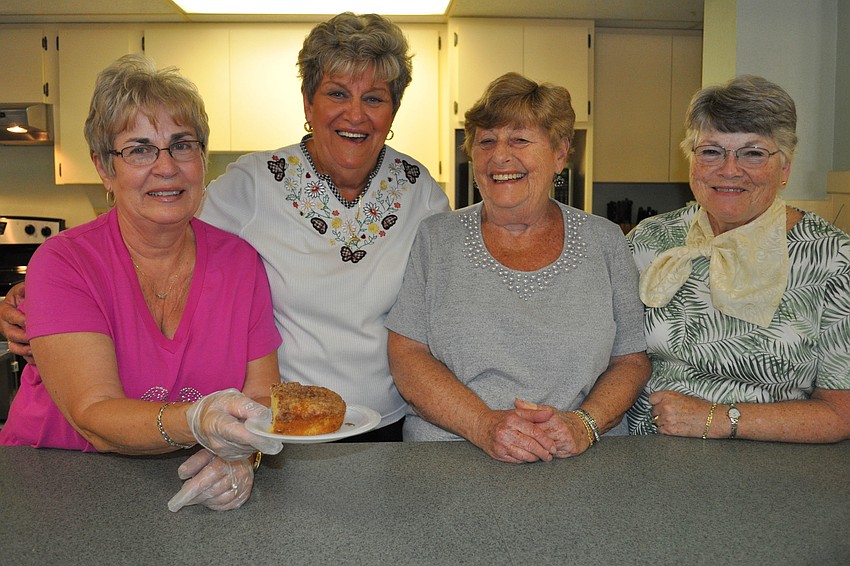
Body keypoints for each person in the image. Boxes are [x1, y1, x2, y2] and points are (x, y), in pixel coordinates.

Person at [0, 13, 450, 442]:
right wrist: (41, 288)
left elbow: (445, 302)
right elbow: (156, 224)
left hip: (386, 421)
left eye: (374, 97)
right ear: (308, 103)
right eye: (336, 93)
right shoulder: (253, 184)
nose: (355, 113)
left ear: (393, 111)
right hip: (278, 423)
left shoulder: (422, 193)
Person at [0, 54, 285, 512]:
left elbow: (260, 394)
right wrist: (199, 421)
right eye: (139, 149)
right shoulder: (64, 262)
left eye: (182, 144)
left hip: (184, 480)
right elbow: (94, 413)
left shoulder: (240, 263)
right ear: (104, 168)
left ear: (202, 159)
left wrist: (241, 455)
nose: (166, 166)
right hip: (53, 481)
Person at [385, 73, 651, 463]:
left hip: (579, 458)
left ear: (560, 153)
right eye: (486, 141)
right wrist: (483, 425)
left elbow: (631, 360)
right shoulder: (436, 238)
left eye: (520, 140)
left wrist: (583, 424)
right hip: (451, 458)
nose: (500, 156)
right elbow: (407, 354)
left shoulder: (605, 241)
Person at [627, 75, 850, 442]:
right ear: (691, 161)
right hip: (643, 454)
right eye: (711, 151)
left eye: (753, 153)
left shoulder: (833, 259)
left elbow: (840, 412)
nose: (729, 170)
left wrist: (717, 419)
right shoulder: (650, 240)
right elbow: (610, 360)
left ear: (785, 169)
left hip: (772, 463)